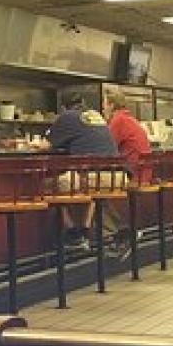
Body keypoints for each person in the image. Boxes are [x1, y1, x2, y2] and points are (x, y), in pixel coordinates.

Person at [45, 92, 119, 251]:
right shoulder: (96, 115)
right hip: (117, 176)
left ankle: (72, 233)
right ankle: (84, 230)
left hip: (95, 177)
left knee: (46, 186)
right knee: (90, 187)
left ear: (63, 107)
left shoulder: (67, 116)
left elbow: (45, 145)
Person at [103, 90, 153, 253]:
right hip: (142, 173)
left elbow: (107, 146)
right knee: (100, 192)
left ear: (111, 105)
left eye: (104, 104)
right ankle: (124, 231)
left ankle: (122, 233)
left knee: (97, 193)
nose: (103, 109)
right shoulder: (130, 118)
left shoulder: (118, 120)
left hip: (133, 174)